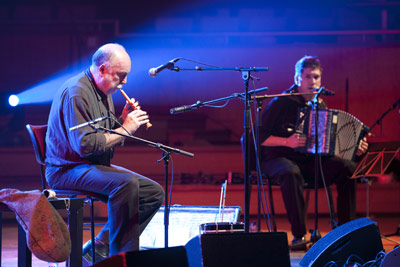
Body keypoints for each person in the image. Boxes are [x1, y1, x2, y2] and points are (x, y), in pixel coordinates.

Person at [45, 43, 164, 263]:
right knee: (125, 183)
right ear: (102, 69)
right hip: (66, 169)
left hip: (89, 165)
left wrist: (121, 119)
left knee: (153, 193)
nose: (125, 81)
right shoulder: (77, 92)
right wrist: (127, 127)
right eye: (121, 75)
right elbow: (85, 145)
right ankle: (120, 259)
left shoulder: (103, 90)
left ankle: (100, 246)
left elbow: (104, 136)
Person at [259, 56, 368, 249]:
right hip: (278, 158)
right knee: (290, 172)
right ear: (297, 79)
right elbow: (258, 137)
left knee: (347, 168)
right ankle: (299, 235)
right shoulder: (280, 103)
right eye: (308, 77)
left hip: (309, 161)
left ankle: (345, 232)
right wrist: (287, 141)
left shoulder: (320, 105)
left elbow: (327, 143)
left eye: (316, 77)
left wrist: (353, 148)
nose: (313, 82)